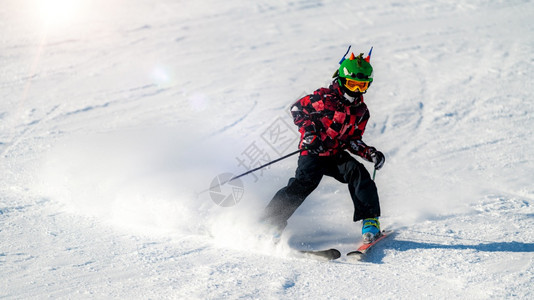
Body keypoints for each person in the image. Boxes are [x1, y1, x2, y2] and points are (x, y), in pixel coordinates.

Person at [261, 47, 385, 244]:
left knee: (358, 173)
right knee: (304, 183)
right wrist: (310, 134)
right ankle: (269, 222)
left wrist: (369, 153)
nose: (356, 91)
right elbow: (297, 109)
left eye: (362, 86)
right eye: (353, 84)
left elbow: (353, 139)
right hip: (313, 151)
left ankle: (370, 220)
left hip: (335, 154)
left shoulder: (361, 111)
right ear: (342, 80)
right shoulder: (324, 98)